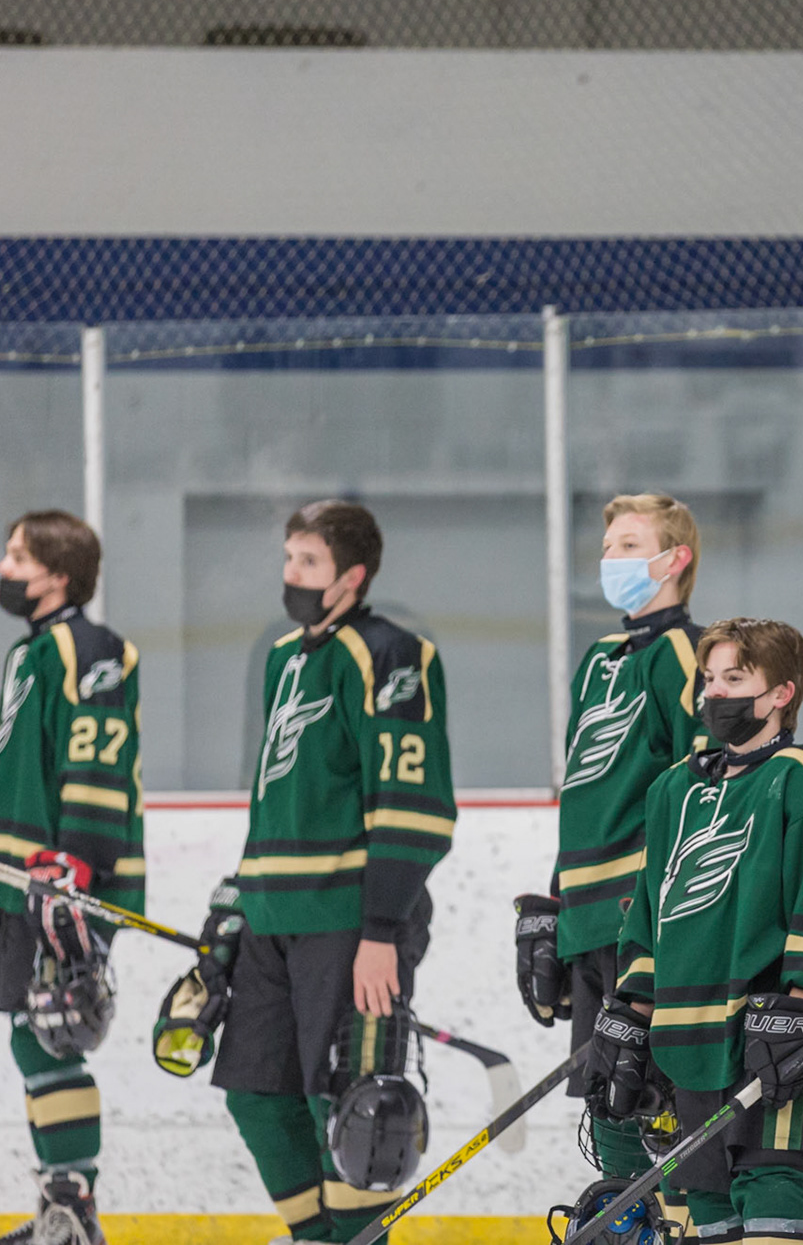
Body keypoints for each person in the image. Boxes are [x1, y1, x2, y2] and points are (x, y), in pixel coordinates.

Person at [212, 500, 454, 1243]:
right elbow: (274, 797)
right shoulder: (285, 658)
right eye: (288, 558)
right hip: (272, 919)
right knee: (256, 1093)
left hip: (348, 922)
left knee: (353, 1108)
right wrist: (235, 901)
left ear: (353, 576)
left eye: (309, 562)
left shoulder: (391, 656)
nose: (291, 574)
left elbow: (413, 806)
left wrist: (381, 930)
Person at [590, 616, 803, 1245]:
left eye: (735, 679)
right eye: (709, 679)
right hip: (688, 1038)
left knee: (775, 1198)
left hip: (778, 1033)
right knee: (710, 1217)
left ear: (782, 694)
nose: (715, 693)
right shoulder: (673, 789)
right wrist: (634, 1010)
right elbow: (648, 911)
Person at [0, 511, 142, 1245]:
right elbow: (18, 781)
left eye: (17, 556)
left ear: (58, 575)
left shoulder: (90, 650)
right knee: (30, 1036)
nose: (4, 568)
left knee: (52, 1035)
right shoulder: (28, 651)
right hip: (23, 882)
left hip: (64, 883)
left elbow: (98, 759)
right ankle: (60, 1209)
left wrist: (76, 868)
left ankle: (73, 1212)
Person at [514, 492, 705, 1180]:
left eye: (629, 546)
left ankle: (674, 1217)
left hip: (646, 913)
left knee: (651, 1091)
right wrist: (558, 902)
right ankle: (630, 1216)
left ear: (675, 559)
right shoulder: (599, 659)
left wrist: (673, 906)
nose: (610, 559)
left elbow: (702, 788)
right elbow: (582, 790)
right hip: (591, 914)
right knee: (606, 1092)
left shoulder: (688, 653)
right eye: (607, 548)